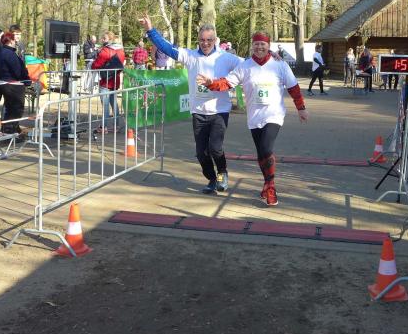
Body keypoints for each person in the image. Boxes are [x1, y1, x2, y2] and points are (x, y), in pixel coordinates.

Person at [196, 31, 308, 206]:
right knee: (261, 153)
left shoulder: (280, 65)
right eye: (256, 44)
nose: (259, 47)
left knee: (266, 148)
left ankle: (271, 187)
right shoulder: (245, 66)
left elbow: (293, 87)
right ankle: (266, 183)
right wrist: (211, 83)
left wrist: (301, 108)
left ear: (268, 46)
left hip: (274, 114)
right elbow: (227, 83)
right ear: (252, 46)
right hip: (255, 117)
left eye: (263, 44)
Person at [140, 16, 242, 194]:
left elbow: (250, 64)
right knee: (201, 152)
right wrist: (150, 30)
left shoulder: (226, 58)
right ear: (198, 40)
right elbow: (167, 48)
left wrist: (270, 56)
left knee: (215, 148)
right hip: (198, 112)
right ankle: (212, 179)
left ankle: (222, 172)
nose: (205, 43)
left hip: (219, 111)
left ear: (215, 40)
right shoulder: (190, 56)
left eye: (209, 40)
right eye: (202, 40)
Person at [91, 30, 126, 133]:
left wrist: (93, 64)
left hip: (106, 81)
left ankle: (103, 127)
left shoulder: (106, 50)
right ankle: (116, 126)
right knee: (114, 104)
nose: (102, 40)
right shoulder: (121, 51)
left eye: (104, 38)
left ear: (110, 39)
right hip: (115, 80)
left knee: (105, 105)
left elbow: (96, 65)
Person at [0, 32, 29, 135]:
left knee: (10, 108)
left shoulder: (1, 52)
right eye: (14, 39)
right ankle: (10, 131)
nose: (15, 41)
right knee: (16, 109)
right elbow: (17, 70)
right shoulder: (9, 53)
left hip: (5, 82)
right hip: (13, 84)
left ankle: (10, 130)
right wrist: (25, 79)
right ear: (11, 41)